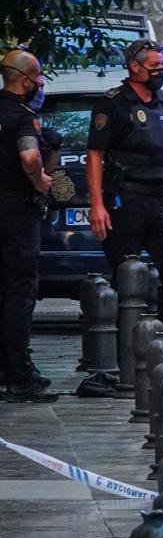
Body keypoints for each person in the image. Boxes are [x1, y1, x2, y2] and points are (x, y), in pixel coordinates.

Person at [88, 40, 163, 338]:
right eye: (154, 68)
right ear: (134, 67)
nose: (160, 73)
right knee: (125, 278)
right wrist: (97, 205)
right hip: (125, 201)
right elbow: (95, 155)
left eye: (162, 68)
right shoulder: (113, 102)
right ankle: (120, 355)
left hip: (161, 204)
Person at [0, 50, 56, 403]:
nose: (40, 84)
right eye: (38, 78)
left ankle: (10, 368)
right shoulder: (23, 117)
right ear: (25, 80)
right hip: (16, 214)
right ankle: (20, 377)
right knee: (19, 294)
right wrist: (39, 182)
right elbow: (31, 157)